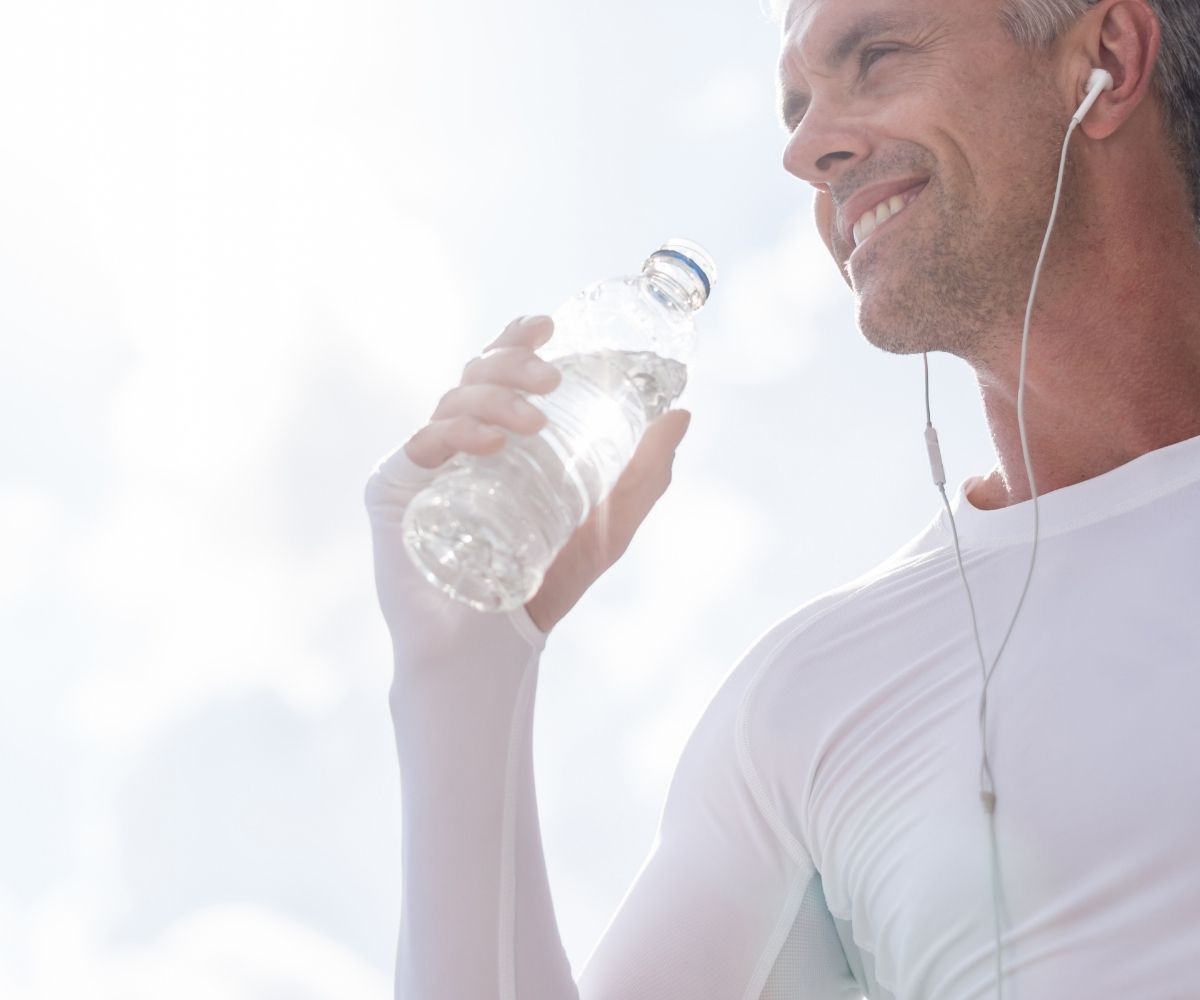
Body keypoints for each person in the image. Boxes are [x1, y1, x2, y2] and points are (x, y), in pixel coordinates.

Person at [364, 0, 1200, 995]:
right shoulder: (810, 699)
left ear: (1104, 57)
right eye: (796, 105)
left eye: (876, 56)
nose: (806, 150)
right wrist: (465, 665)